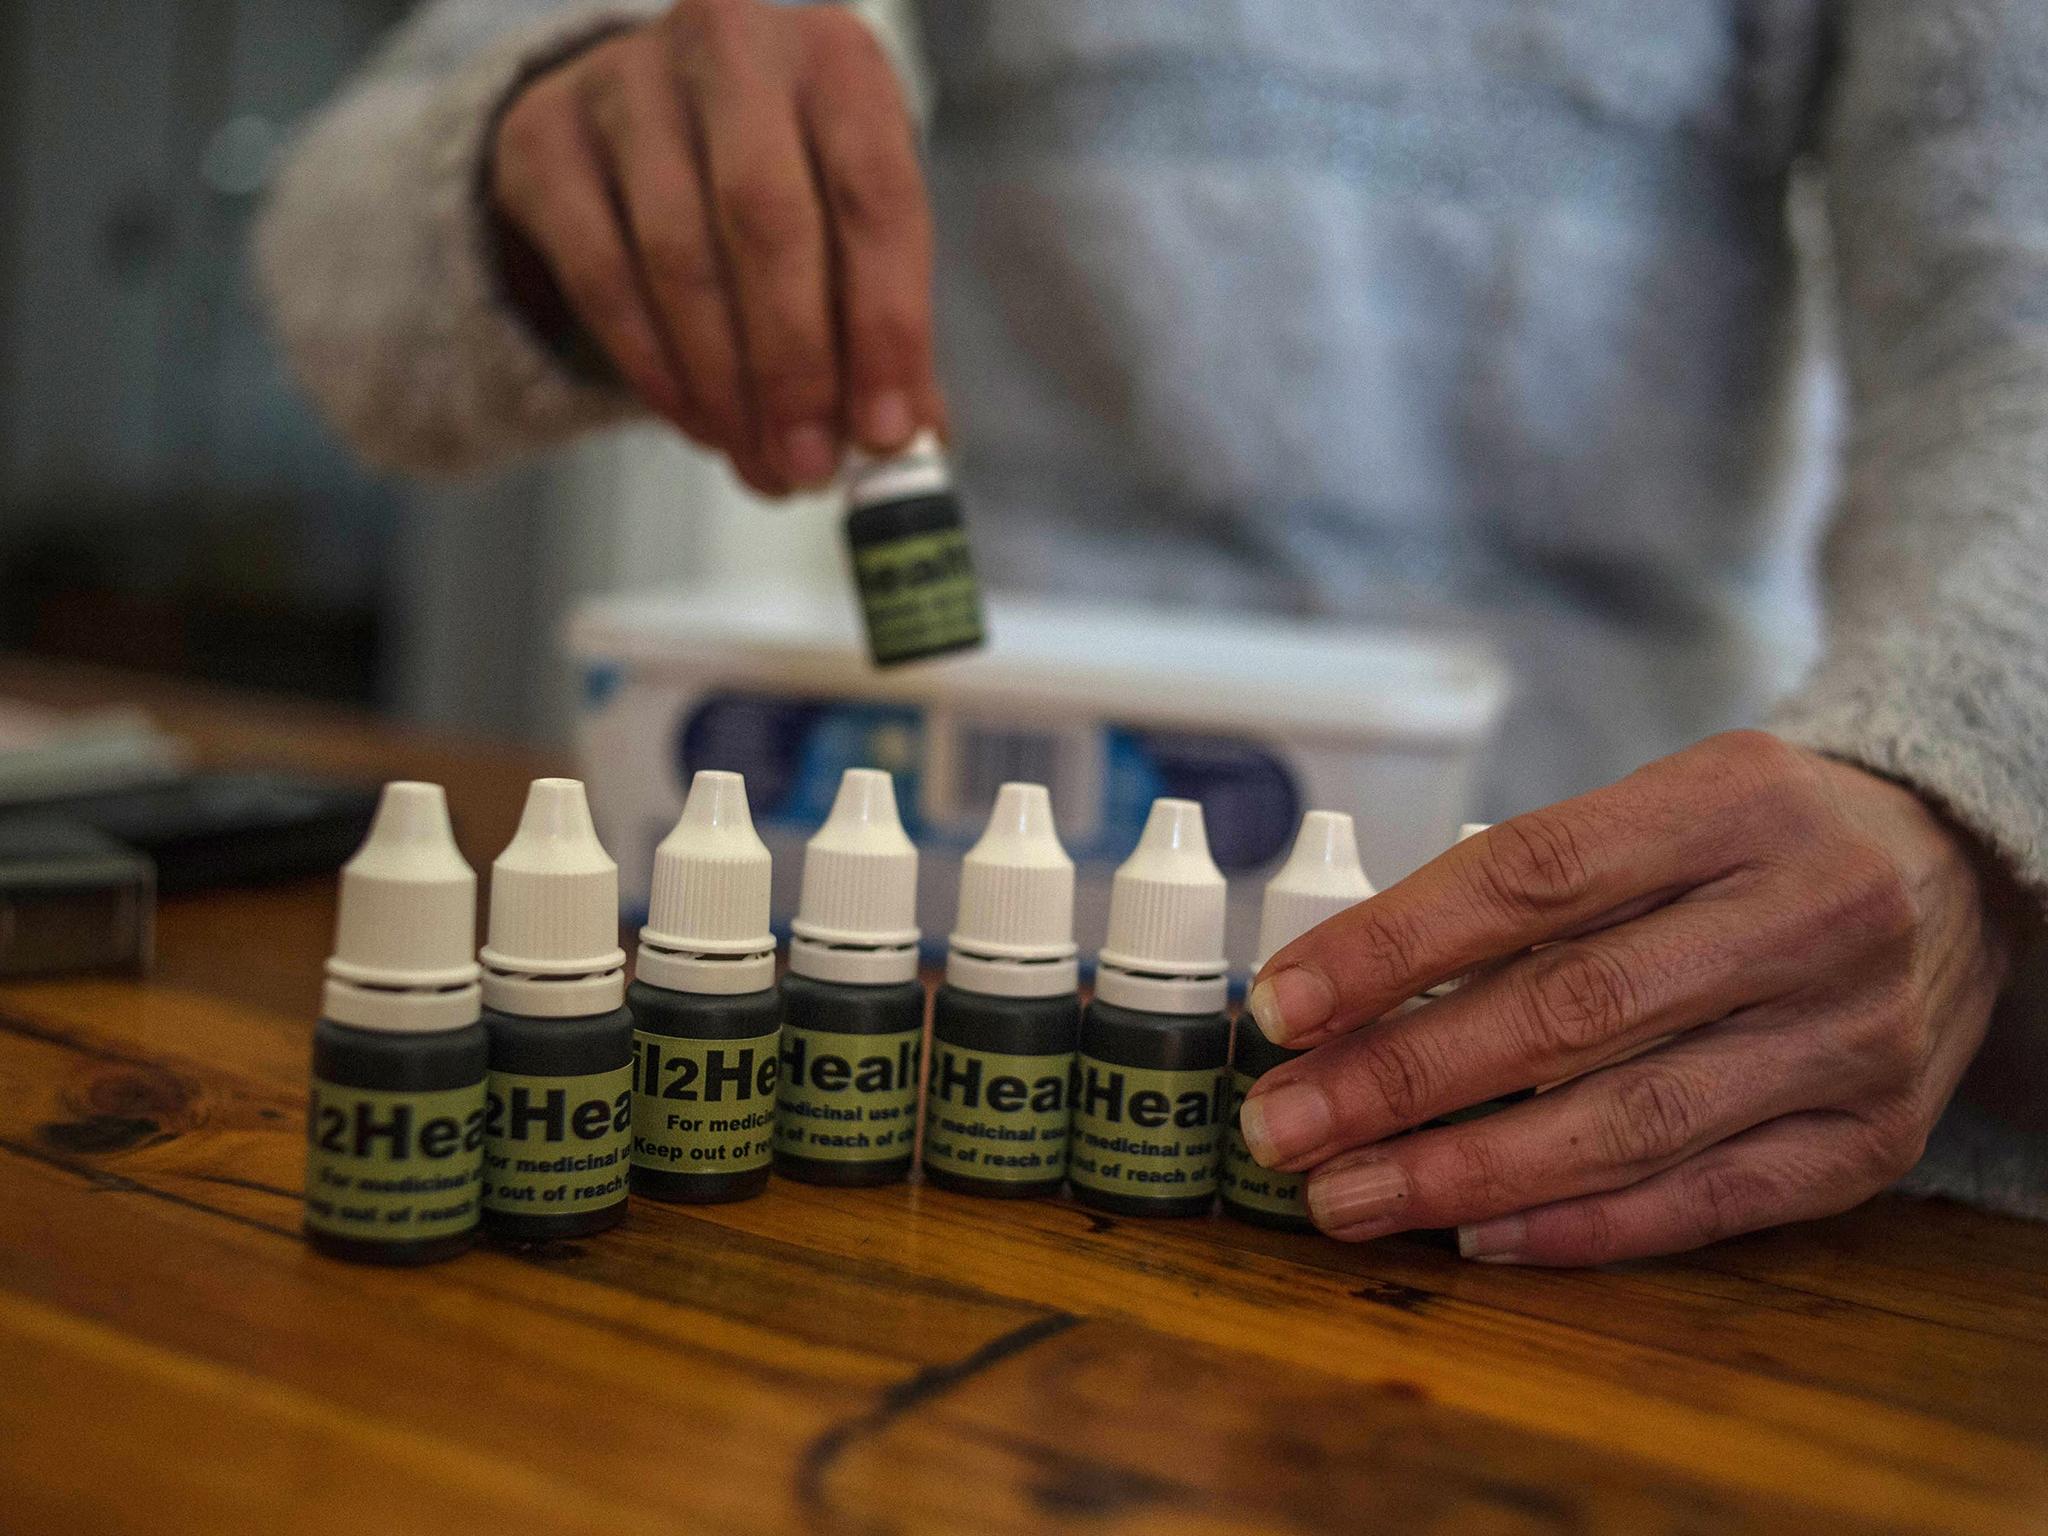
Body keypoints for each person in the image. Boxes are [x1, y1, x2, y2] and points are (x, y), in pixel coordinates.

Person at [256, 0, 2048, 1261]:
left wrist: (1944, 786)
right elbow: (341, 265)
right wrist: (535, 148)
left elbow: (2018, 324)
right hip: (965, 873)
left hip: (1654, 981)